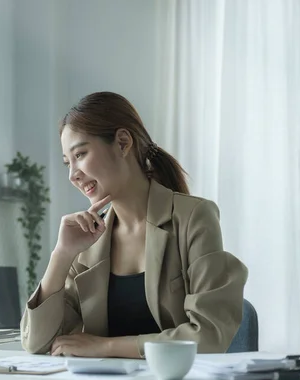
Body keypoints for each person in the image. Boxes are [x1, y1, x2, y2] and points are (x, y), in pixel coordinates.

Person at [20, 91, 248, 358]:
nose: (73, 174)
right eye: (67, 163)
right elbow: (36, 343)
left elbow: (209, 335)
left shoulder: (194, 218)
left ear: (123, 142)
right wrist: (61, 254)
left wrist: (104, 347)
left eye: (80, 154)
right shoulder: (86, 242)